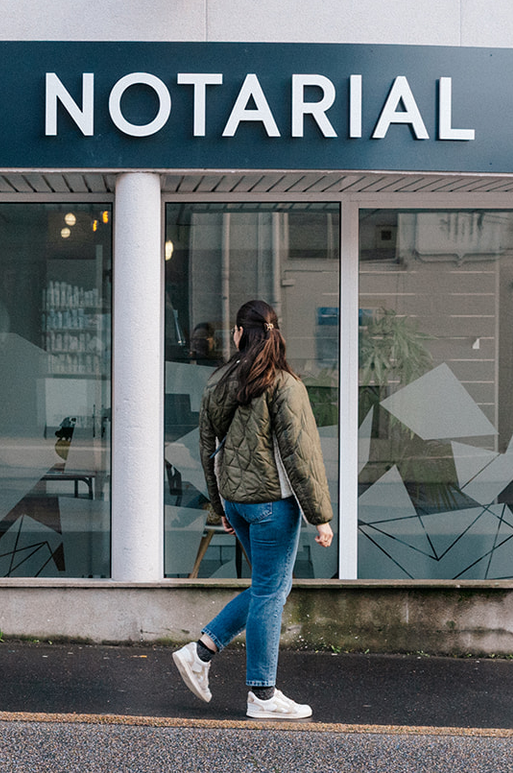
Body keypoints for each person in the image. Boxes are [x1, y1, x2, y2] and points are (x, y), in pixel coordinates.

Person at [171, 299, 334, 719]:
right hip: (271, 505)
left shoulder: (220, 381)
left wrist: (219, 506)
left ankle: (202, 651)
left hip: (237, 502)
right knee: (270, 592)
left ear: (240, 334)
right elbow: (302, 454)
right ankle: (261, 695)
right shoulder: (284, 384)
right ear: (275, 334)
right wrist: (320, 515)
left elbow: (206, 448)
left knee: (270, 588)